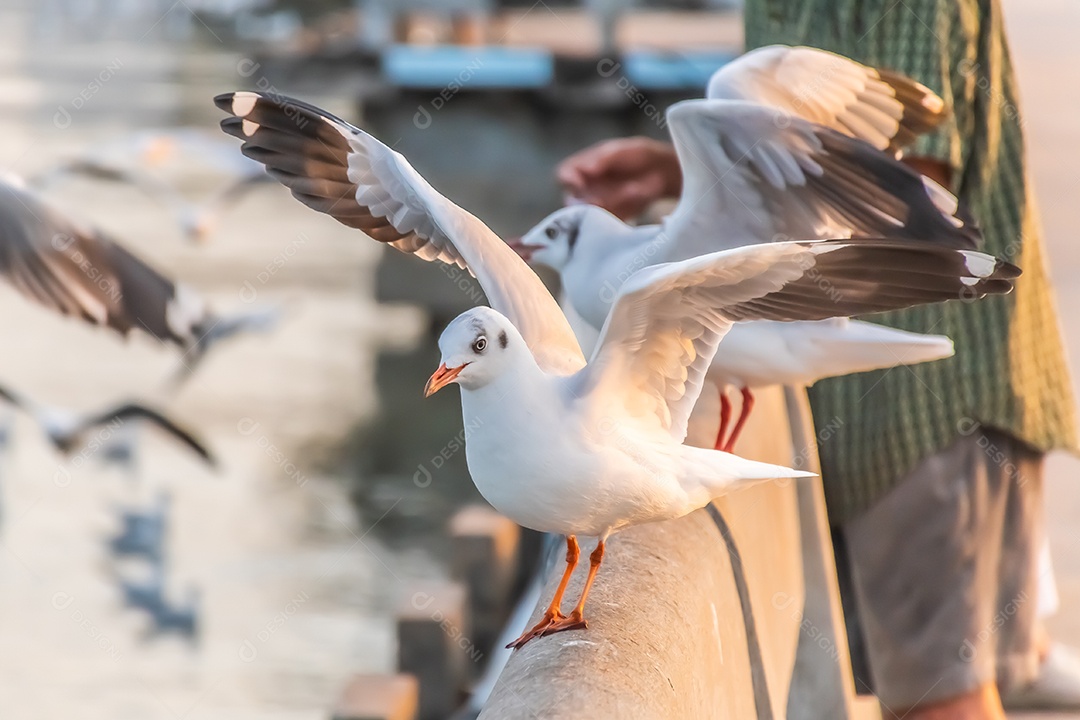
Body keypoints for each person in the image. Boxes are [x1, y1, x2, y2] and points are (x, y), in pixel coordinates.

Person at [556, 1, 1079, 717]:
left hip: (931, 405)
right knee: (939, 679)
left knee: (940, 698)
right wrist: (691, 174)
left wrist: (729, 165)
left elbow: (908, 177)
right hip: (873, 390)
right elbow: (805, 156)